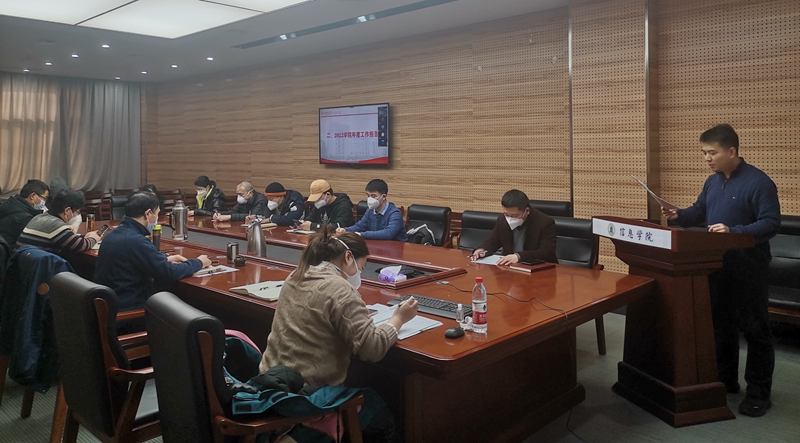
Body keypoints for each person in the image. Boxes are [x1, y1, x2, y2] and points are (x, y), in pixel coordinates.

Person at [662, 124, 780, 417]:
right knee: (721, 326)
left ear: (732, 151)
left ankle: (759, 393)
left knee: (755, 330)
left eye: (712, 153)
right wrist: (679, 215)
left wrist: (733, 231)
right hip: (716, 265)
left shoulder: (759, 182)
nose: (707, 158)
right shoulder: (713, 182)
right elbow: (699, 212)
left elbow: (770, 223)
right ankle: (726, 381)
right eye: (704, 153)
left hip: (749, 268)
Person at [260, 226, 417, 441]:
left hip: (270, 388)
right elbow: (372, 349)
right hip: (306, 398)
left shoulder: (296, 276)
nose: (359, 274)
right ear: (348, 257)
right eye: (361, 267)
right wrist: (398, 319)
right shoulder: (340, 289)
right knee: (383, 419)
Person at [94, 192, 211, 318]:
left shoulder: (112, 235)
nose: (157, 219)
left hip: (111, 307)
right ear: (148, 213)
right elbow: (169, 273)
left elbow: (135, 260)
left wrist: (165, 259)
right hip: (129, 314)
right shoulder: (136, 240)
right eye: (157, 214)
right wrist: (199, 262)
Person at [471, 189, 557, 265]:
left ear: (527, 211)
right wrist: (482, 249)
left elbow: (547, 252)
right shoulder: (502, 219)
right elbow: (493, 241)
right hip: (510, 267)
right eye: (506, 214)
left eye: (514, 215)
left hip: (538, 268)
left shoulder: (545, 222)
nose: (510, 219)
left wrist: (519, 256)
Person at [18, 190, 101, 256]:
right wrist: (93, 238)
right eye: (77, 211)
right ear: (67, 210)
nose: (76, 215)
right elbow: (81, 246)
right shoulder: (56, 224)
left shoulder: (39, 217)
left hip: (25, 265)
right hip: (41, 269)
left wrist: (66, 231)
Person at [336, 179, 406, 241]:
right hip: (377, 245)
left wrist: (362, 235)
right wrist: (345, 230)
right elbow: (360, 226)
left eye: (373, 196)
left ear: (384, 197)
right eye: (368, 195)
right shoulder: (370, 210)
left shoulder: (395, 213)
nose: (369, 199)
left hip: (397, 247)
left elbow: (389, 233)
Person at [0, 179, 50, 247]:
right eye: (44, 198)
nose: (44, 202)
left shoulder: (11, 205)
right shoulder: (24, 217)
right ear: (33, 196)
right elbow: (33, 241)